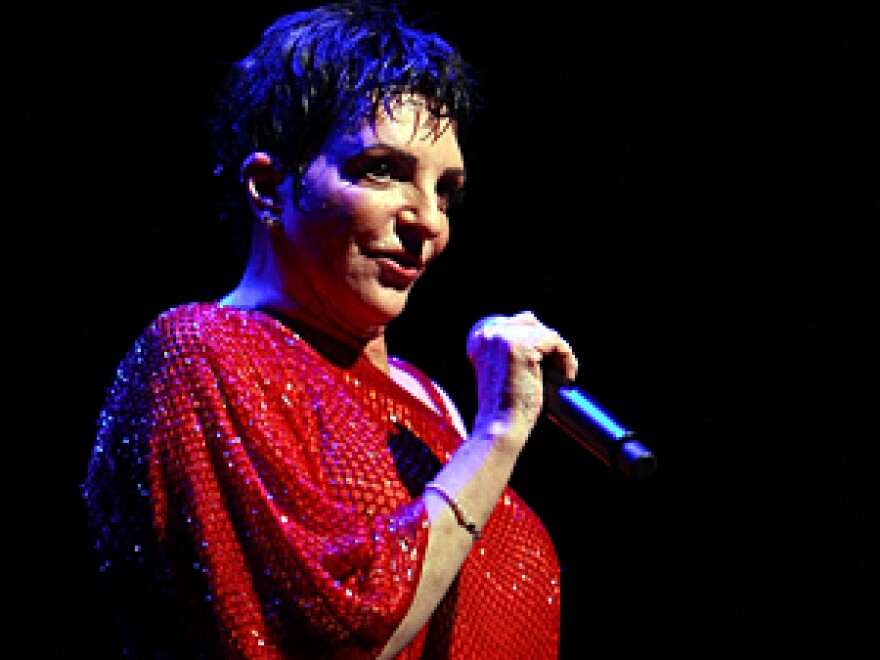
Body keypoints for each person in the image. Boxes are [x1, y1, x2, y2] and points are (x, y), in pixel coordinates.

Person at [82, 1, 578, 657]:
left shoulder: (431, 404)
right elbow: (337, 631)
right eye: (382, 170)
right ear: (268, 186)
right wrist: (497, 434)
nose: (428, 221)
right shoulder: (200, 352)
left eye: (446, 190)